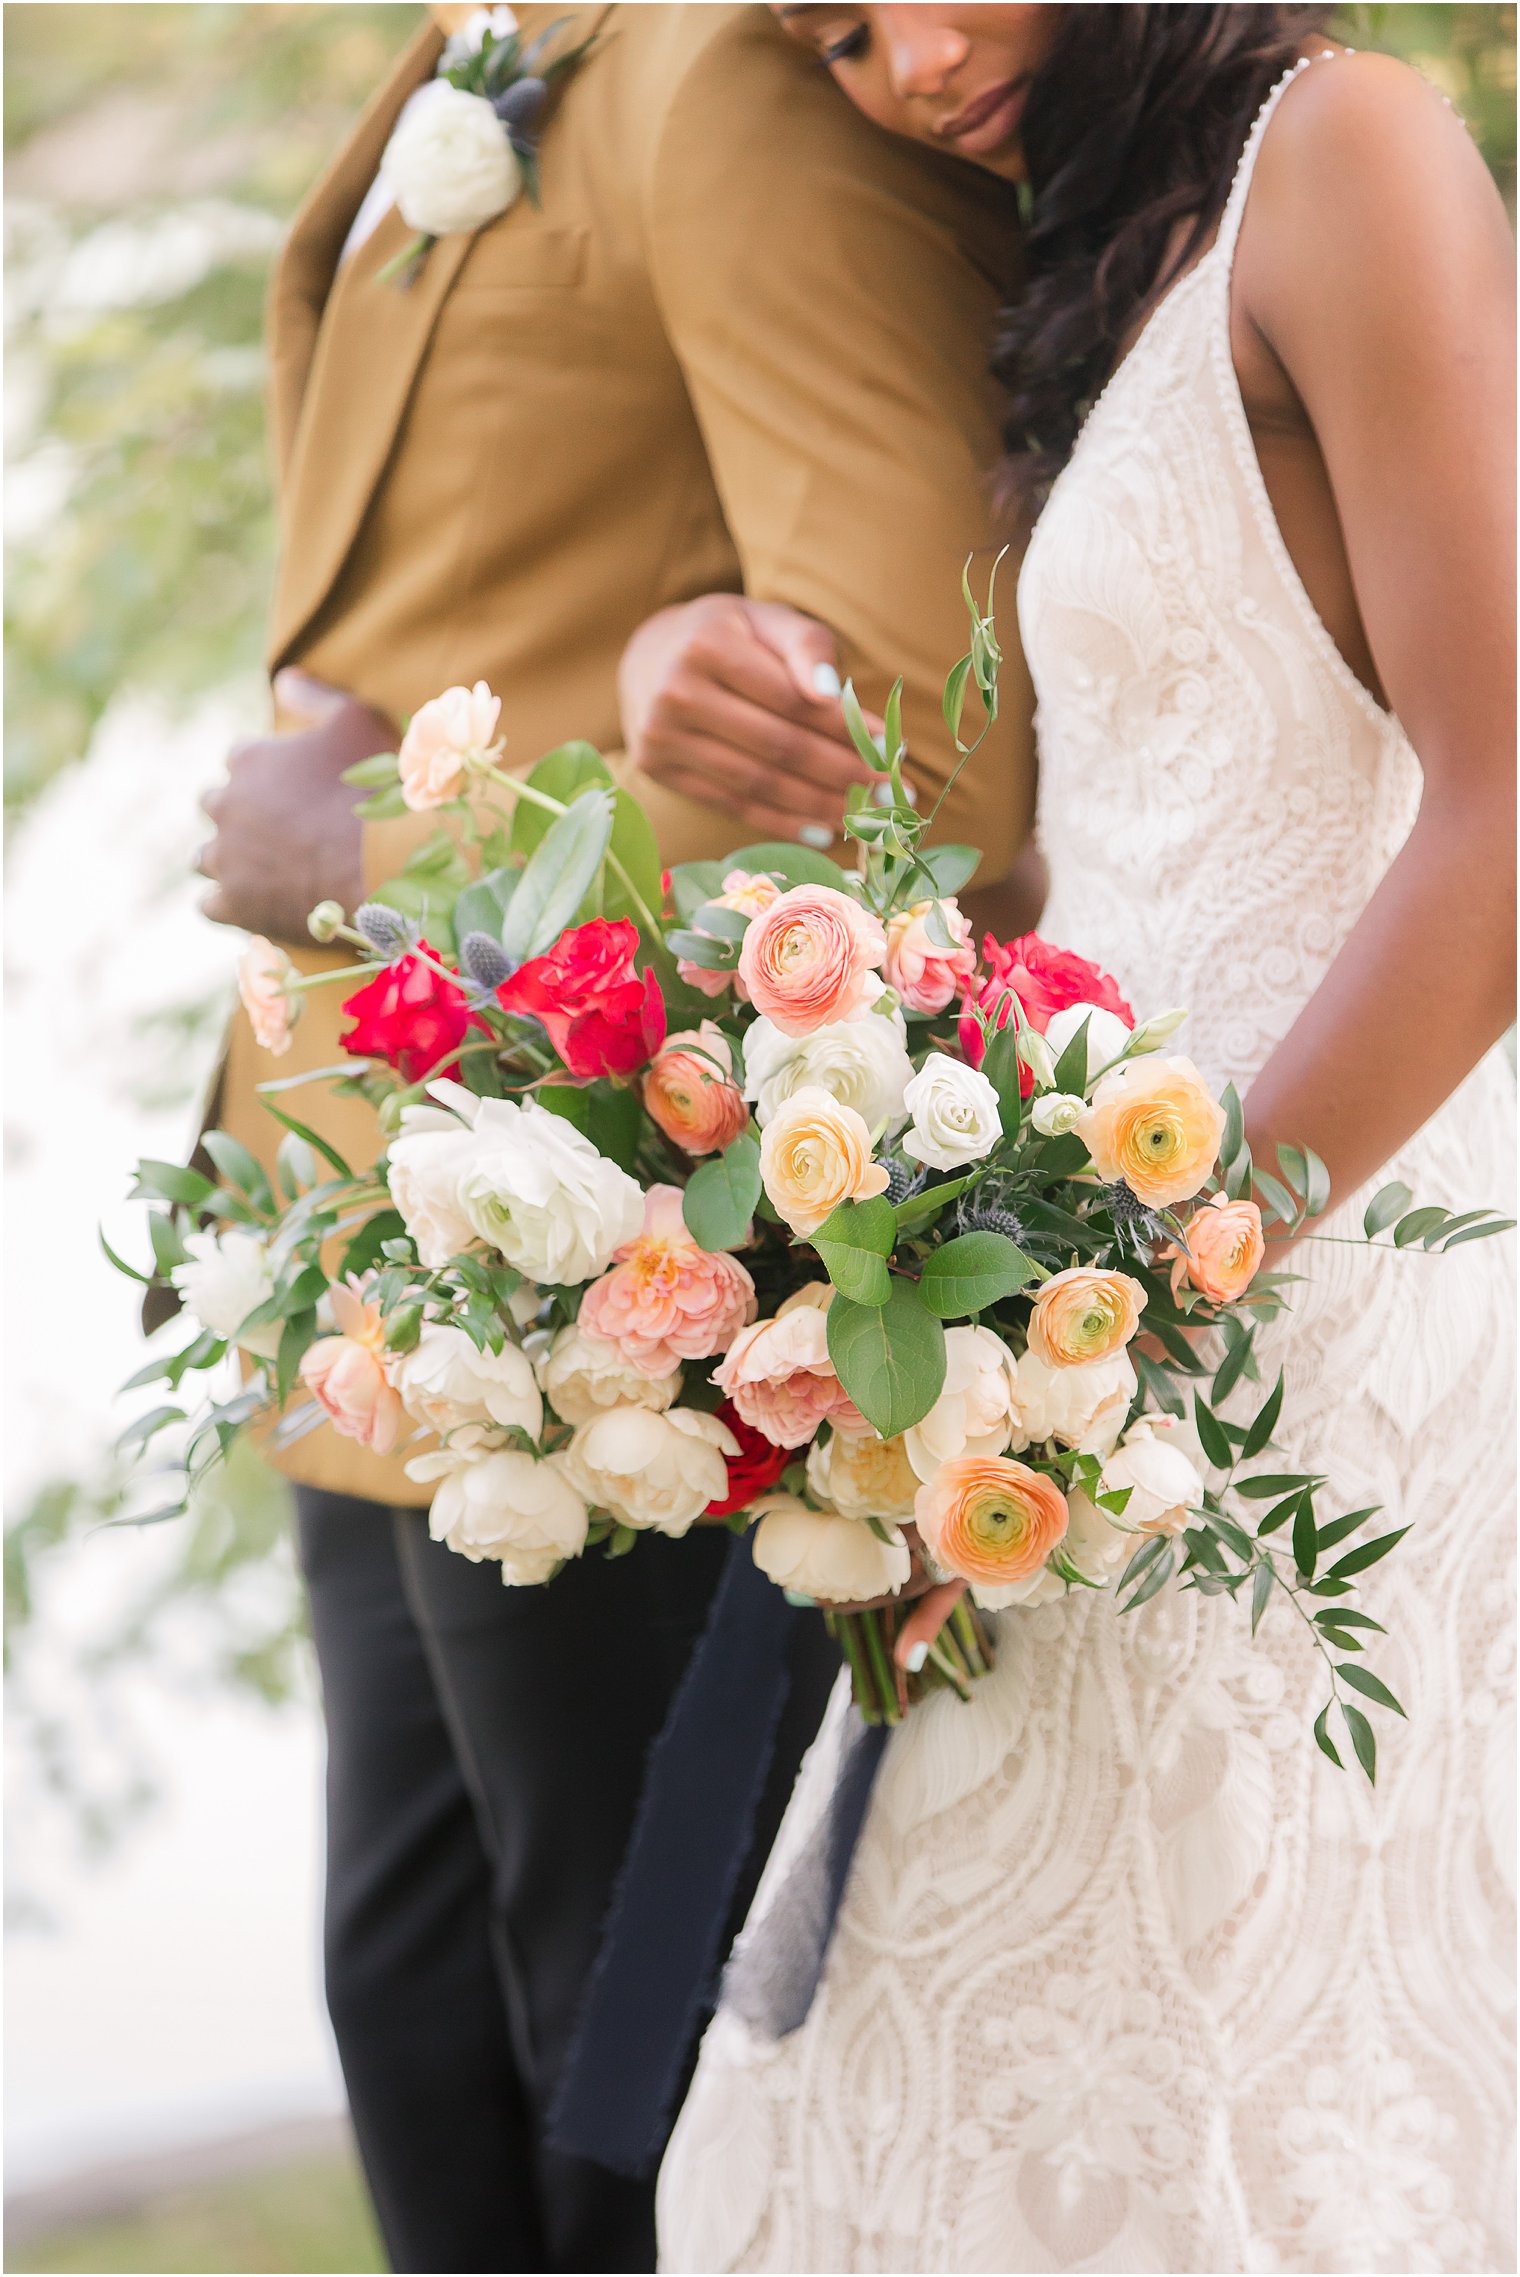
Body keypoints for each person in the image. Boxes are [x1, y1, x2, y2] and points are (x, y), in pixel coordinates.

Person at [653, 8, 1517, 2270]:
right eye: (832, 39)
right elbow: (1120, 856)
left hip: (1326, 1293)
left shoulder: (1345, 149)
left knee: (1296, 2059)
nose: (913, 62)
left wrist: (1189, 1257)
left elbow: (1502, 809)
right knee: (960, 2076)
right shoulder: (1105, 255)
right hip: (1096, 1318)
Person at [189, 4, 1034, 2269]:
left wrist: (364, 846)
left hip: (620, 1276)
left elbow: (928, 769)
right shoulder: (502, 37)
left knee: (628, 2104)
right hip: (384, 1243)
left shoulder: (755, 68)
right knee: (427, 2046)